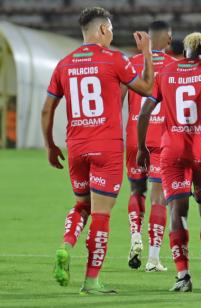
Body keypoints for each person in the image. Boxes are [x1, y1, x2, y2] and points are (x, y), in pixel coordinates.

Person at [41, 7, 153, 294]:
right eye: (111, 29)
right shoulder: (115, 59)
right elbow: (147, 87)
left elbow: (47, 110)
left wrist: (50, 145)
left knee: (82, 206)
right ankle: (91, 280)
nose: (112, 34)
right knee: (101, 215)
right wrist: (148, 52)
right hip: (107, 148)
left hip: (76, 147)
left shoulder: (64, 64)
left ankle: (67, 244)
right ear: (103, 30)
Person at [137, 32, 201, 292]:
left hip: (172, 151)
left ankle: (182, 276)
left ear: (185, 51)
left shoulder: (165, 73)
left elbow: (145, 112)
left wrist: (143, 148)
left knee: (177, 211)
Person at [124, 20, 175, 272]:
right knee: (159, 198)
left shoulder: (131, 64)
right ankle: (153, 259)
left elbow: (117, 100)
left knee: (136, 191)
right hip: (162, 137)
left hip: (135, 135)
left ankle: (135, 235)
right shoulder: (175, 67)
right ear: (167, 40)